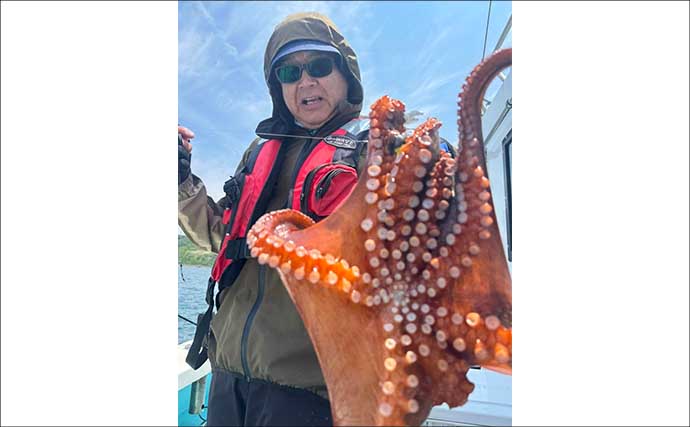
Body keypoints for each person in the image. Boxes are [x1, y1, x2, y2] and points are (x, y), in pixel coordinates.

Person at [178, 12, 369, 426]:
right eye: (289, 72)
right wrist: (180, 181)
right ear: (277, 86)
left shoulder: (375, 152)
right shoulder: (257, 154)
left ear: (346, 74)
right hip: (229, 375)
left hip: (313, 390)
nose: (306, 81)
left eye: (320, 66)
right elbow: (222, 234)